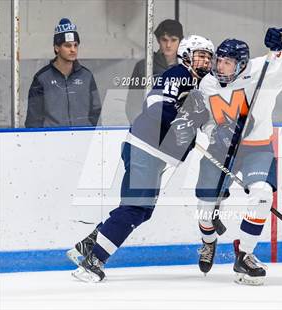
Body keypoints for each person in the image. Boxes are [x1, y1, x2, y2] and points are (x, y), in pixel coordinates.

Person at [68, 35, 214, 283]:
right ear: (187, 55)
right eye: (201, 55)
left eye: (209, 57)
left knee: (141, 211)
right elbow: (156, 103)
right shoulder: (178, 74)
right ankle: (92, 262)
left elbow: (203, 123)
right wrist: (181, 119)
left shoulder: (201, 87)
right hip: (146, 148)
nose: (206, 61)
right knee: (135, 208)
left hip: (158, 155)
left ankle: (86, 246)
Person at [195, 26, 282, 285]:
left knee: (262, 195)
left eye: (227, 62)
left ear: (242, 65)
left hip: (257, 146)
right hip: (221, 148)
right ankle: (208, 242)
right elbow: (203, 119)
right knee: (205, 207)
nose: (220, 67)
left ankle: (245, 254)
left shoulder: (263, 70)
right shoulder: (208, 83)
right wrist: (215, 131)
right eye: (219, 61)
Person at [25, 18, 101, 128]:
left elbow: (96, 110)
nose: (73, 50)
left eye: (75, 45)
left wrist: (86, 130)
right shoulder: (41, 78)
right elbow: (33, 119)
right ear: (56, 48)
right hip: (51, 141)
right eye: (67, 45)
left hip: (82, 140)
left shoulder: (87, 76)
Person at [125, 19, 184, 123]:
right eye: (164, 40)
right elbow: (133, 104)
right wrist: (142, 128)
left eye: (173, 40)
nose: (168, 45)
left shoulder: (186, 68)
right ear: (157, 40)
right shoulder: (144, 66)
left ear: (181, 41)